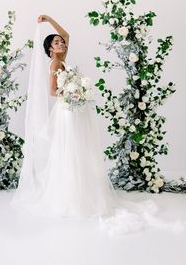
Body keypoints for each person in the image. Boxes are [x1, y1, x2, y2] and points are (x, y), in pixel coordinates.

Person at [10, 16, 186, 237]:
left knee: (79, 150)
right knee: (70, 150)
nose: (61, 43)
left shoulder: (63, 58)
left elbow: (67, 34)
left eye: (60, 42)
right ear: (49, 49)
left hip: (75, 109)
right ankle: (70, 196)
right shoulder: (55, 63)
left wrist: (49, 19)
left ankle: (83, 192)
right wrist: (74, 91)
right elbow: (53, 91)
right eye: (56, 43)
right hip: (66, 111)